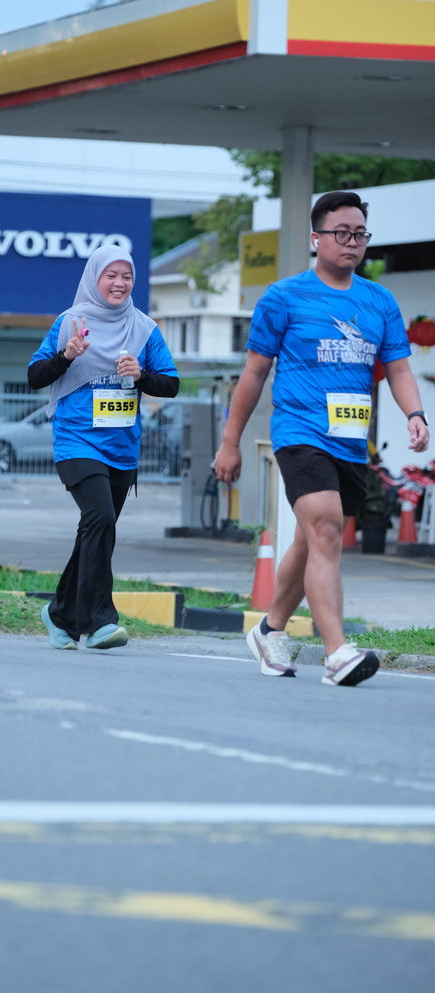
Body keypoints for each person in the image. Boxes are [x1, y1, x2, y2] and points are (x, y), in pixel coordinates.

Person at [214, 191, 429, 687]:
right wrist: (230, 442)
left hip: (350, 440)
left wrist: (415, 414)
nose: (352, 242)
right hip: (299, 431)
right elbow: (253, 374)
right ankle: (337, 653)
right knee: (328, 529)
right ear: (316, 238)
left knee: (313, 539)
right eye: (341, 233)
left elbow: (398, 368)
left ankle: (269, 631)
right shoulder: (283, 297)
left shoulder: (379, 301)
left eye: (360, 234)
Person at [28, 245, 179, 651]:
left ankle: (60, 614)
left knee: (97, 530)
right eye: (111, 275)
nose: (119, 283)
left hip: (122, 446)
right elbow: (34, 376)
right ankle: (99, 621)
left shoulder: (145, 328)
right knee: (101, 517)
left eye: (126, 276)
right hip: (76, 439)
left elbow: (171, 383)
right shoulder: (70, 322)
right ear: (95, 278)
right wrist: (66, 355)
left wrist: (141, 375)